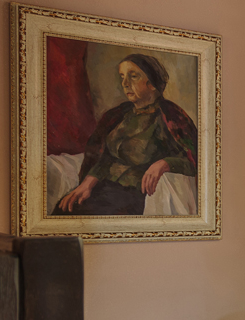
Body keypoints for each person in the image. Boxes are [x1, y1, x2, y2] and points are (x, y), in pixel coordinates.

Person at [55, 53, 198, 216]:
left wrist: (164, 164)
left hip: (133, 196)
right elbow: (105, 156)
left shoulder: (170, 117)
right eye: (122, 77)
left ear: (151, 83)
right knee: (64, 208)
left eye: (133, 76)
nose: (125, 83)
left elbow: (195, 160)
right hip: (103, 188)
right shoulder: (119, 114)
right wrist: (87, 183)